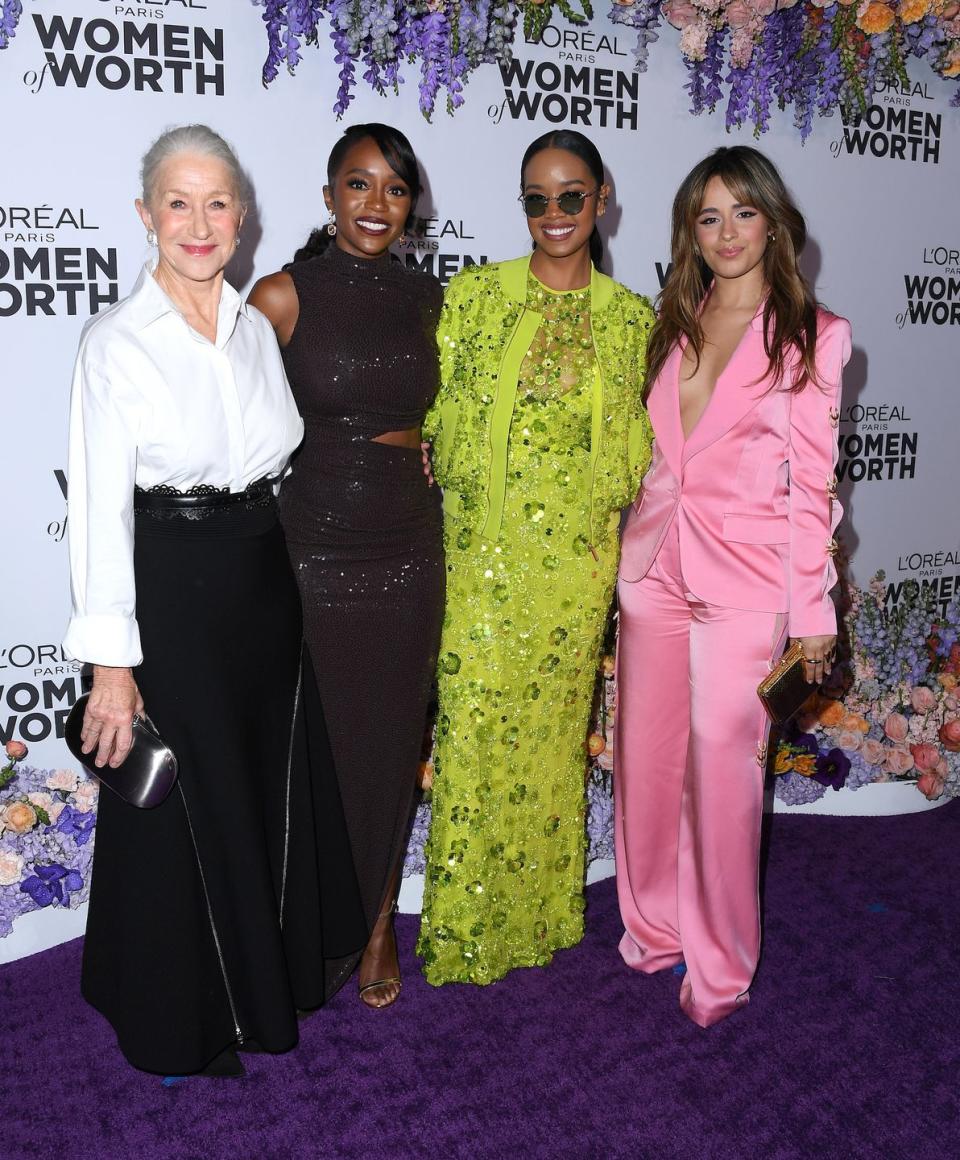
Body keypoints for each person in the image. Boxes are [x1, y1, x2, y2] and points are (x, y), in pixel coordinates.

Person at [64, 124, 366, 1076]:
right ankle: (183, 1012)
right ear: (147, 217)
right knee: (184, 802)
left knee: (260, 782)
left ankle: (262, 983)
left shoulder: (252, 331)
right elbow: (99, 514)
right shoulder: (114, 344)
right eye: (179, 203)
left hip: (261, 585)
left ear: (244, 218)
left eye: (218, 202)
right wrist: (113, 669)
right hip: (171, 589)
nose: (200, 223)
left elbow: (277, 463)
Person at [615, 145, 851, 1028]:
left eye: (742, 213)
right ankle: (651, 926)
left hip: (748, 584)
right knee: (646, 758)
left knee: (722, 775)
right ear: (691, 231)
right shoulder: (674, 320)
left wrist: (812, 614)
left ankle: (720, 966)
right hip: (655, 571)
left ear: (773, 221)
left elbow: (814, 488)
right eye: (707, 217)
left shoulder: (815, 336)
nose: (725, 233)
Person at [416, 130, 654, 986]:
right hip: (482, 563)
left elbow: (641, 451)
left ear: (601, 197)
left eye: (571, 196)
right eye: (536, 198)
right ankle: (469, 928)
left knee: (554, 746)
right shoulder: (475, 297)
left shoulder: (632, 321)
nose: (554, 214)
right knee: (475, 734)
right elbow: (436, 413)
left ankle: (547, 912)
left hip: (575, 574)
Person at [249, 124, 444, 1009]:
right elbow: (229, 428)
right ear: (327, 197)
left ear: (412, 205)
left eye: (394, 189)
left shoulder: (434, 302)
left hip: (408, 542)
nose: (376, 205)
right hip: (313, 546)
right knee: (315, 748)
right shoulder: (281, 296)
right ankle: (302, 923)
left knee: (390, 744)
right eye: (357, 185)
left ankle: (373, 924)